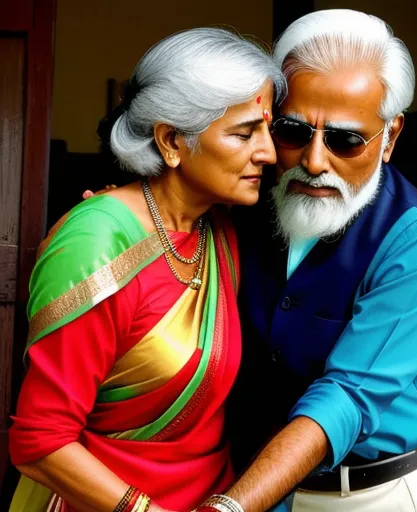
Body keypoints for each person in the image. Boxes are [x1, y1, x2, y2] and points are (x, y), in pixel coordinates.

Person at [8, 27, 286, 512]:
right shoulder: (96, 242)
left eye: (267, 130)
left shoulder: (218, 229)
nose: (269, 153)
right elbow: (40, 442)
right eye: (244, 134)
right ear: (171, 140)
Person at [220, 9, 417, 512]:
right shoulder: (242, 199)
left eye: (345, 139)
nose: (313, 160)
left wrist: (232, 507)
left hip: (373, 495)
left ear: (390, 137)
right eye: (292, 131)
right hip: (245, 485)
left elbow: (349, 395)